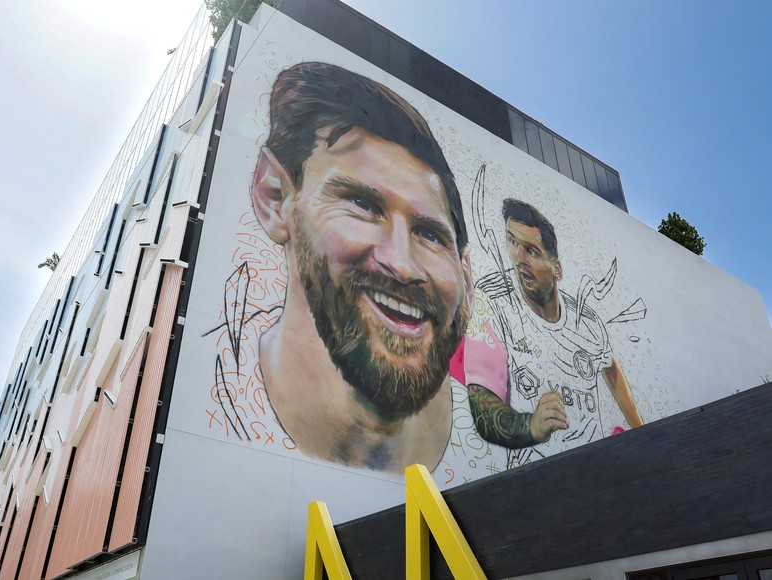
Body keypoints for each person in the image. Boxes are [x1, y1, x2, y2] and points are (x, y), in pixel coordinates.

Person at [250, 61, 486, 472]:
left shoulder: (486, 440)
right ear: (275, 199)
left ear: (465, 274)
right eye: (363, 205)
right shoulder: (215, 400)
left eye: (430, 234)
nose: (402, 264)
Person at [470, 198, 642, 464]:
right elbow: (482, 406)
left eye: (532, 251)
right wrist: (531, 426)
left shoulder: (585, 321)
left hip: (597, 472)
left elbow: (610, 366)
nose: (519, 258)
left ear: (557, 269)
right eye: (513, 242)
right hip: (536, 483)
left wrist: (642, 433)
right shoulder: (493, 304)